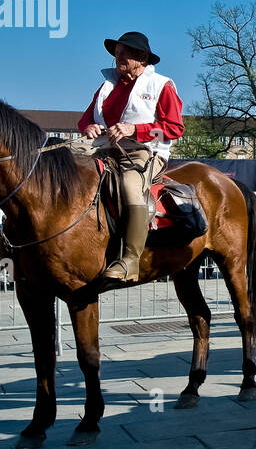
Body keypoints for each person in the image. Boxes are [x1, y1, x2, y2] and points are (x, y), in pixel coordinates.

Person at [78, 30, 185, 283]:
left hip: (144, 152)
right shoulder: (106, 85)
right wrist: (87, 127)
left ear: (142, 58)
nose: (118, 57)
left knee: (130, 185)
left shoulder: (161, 85)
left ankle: (130, 260)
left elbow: (175, 128)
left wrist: (134, 129)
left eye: (124, 53)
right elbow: (86, 117)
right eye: (116, 53)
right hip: (102, 147)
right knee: (62, 163)